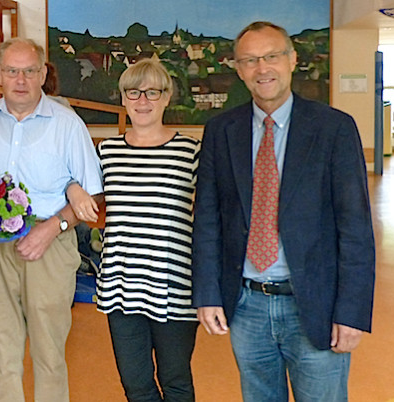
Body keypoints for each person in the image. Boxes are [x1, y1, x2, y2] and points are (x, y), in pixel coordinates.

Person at [191, 21, 375, 401]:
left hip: (315, 305)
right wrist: (207, 293)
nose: (263, 68)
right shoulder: (221, 131)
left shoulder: (334, 129)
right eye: (250, 60)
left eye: (272, 56)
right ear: (239, 69)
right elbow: (208, 219)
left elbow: (355, 226)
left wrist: (352, 311)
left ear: (292, 60)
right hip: (247, 307)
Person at [0, 37, 103, 402]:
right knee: (2, 354)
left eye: (29, 71)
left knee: (49, 356)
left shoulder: (67, 124)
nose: (21, 79)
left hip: (49, 245)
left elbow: (93, 195)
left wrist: (54, 226)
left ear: (43, 73)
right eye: (12, 71)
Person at [68, 58, 200, 401]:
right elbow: (85, 191)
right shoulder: (108, 152)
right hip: (121, 285)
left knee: (176, 381)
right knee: (136, 384)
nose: (143, 101)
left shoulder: (189, 151)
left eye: (152, 92)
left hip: (175, 286)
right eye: (134, 93)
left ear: (167, 97)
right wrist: (73, 188)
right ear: (123, 99)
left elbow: (211, 214)